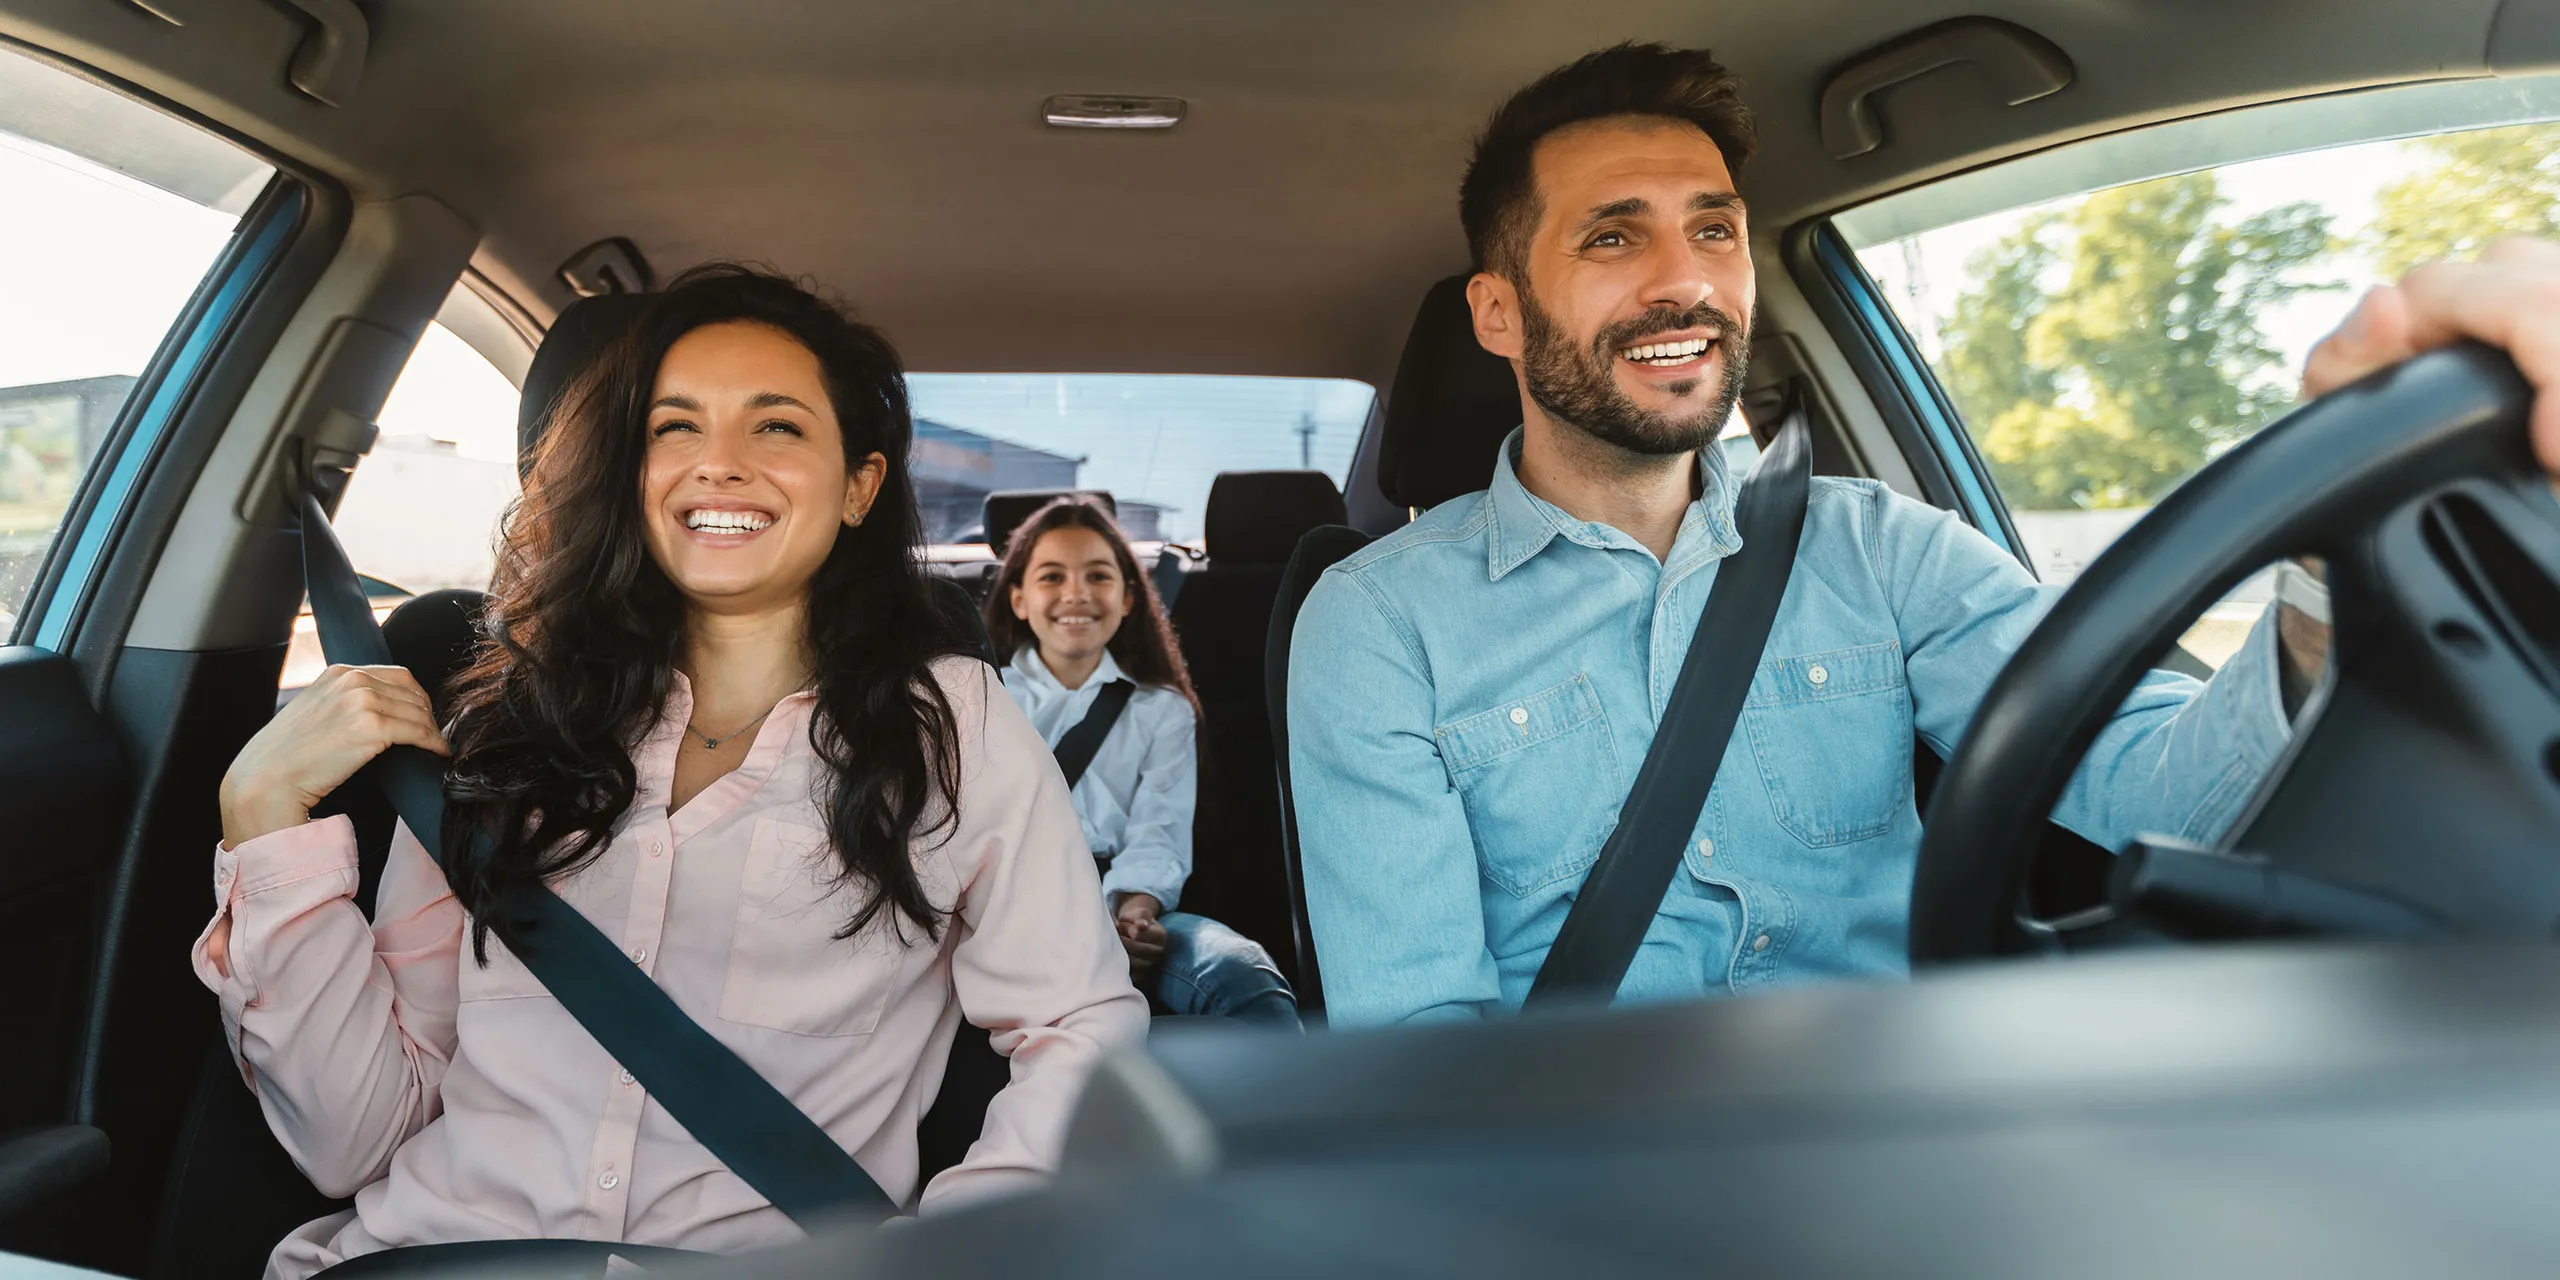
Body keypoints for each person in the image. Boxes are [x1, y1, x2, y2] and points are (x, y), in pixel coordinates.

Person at [1286, 42, 2560, 1029]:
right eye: (1613, 236)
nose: (1686, 279)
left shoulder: (1882, 549)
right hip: (1584, 1184)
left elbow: (2164, 793)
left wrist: (2333, 553)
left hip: (1909, 1150)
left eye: (1713, 228)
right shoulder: (1380, 619)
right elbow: (1423, 1041)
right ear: (1499, 315)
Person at [195, 265, 1148, 1276]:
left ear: (860, 483)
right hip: (438, 1257)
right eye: (674, 426)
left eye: (776, 426)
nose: (719, 465)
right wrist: (263, 823)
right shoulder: (503, 728)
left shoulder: (953, 725)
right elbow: (353, 1137)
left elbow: (1079, 1023)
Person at [985, 498, 1302, 1029]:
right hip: (1008, 912)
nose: (1076, 593)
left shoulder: (1162, 709)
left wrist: (1133, 912)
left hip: (1123, 901)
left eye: (1098, 575)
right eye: (1051, 576)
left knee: (1246, 978)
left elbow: (1160, 828)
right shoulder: (982, 699)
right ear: (1018, 599)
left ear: (1128, 598)